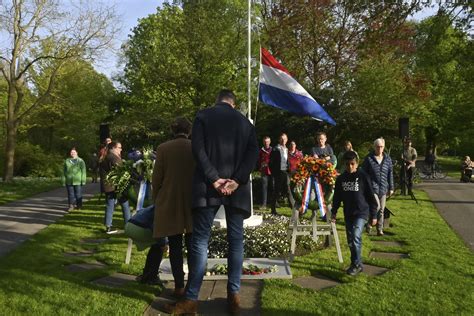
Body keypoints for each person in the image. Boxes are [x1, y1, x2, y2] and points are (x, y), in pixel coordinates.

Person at [165, 89, 258, 315]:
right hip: (237, 189)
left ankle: (191, 299)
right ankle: (234, 296)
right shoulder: (246, 123)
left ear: (216, 101)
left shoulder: (203, 116)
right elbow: (253, 153)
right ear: (233, 104)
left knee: (200, 241)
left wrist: (214, 178)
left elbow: (198, 149)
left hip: (207, 187)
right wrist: (236, 180)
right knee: (236, 241)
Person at [150, 117, 195, 296]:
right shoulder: (196, 147)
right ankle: (192, 287)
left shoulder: (163, 148)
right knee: (193, 246)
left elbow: (156, 178)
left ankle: (178, 286)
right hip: (192, 202)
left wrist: (156, 200)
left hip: (170, 201)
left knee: (175, 246)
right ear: (189, 131)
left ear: (173, 131)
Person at [331, 150, 378, 276]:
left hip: (361, 213)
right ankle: (356, 263)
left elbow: (371, 197)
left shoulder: (363, 177)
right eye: (347, 164)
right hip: (348, 213)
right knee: (351, 241)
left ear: (356, 164)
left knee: (356, 236)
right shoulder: (341, 179)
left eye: (352, 164)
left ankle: (356, 265)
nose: (350, 167)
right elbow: (337, 197)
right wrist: (334, 212)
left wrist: (374, 215)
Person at [125, 205, 168, 285]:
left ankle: (147, 275)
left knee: (156, 245)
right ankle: (151, 277)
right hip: (139, 228)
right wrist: (163, 244)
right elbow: (157, 227)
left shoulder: (159, 203)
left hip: (130, 224)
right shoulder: (167, 208)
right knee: (159, 246)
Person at [361, 138, 394, 236]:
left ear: (384, 147)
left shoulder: (387, 159)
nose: (379, 148)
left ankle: (379, 229)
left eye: (381, 147)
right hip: (372, 188)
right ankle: (371, 223)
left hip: (383, 187)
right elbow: (363, 173)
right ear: (374, 147)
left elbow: (390, 173)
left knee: (382, 210)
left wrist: (391, 187)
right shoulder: (369, 159)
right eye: (377, 146)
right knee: (377, 207)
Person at [101, 141, 131, 234]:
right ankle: (128, 225)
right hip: (116, 186)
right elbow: (121, 171)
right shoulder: (114, 158)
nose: (121, 149)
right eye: (119, 147)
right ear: (113, 148)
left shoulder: (107, 157)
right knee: (125, 204)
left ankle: (108, 226)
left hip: (109, 186)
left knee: (110, 206)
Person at [269, 133, 295, 215]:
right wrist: (274, 173)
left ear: (287, 140)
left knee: (288, 190)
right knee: (276, 191)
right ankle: (273, 209)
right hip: (278, 173)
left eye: (285, 139)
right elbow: (271, 163)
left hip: (285, 172)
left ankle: (294, 209)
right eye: (281, 139)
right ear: (279, 140)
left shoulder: (287, 149)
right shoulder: (275, 149)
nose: (283, 140)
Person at [258, 136, 272, 209]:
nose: (266, 143)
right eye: (265, 141)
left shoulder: (273, 150)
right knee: (264, 188)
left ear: (270, 142)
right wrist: (260, 167)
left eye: (267, 141)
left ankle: (275, 203)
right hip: (264, 171)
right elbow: (258, 160)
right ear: (263, 142)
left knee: (273, 187)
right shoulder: (261, 151)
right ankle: (264, 204)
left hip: (272, 171)